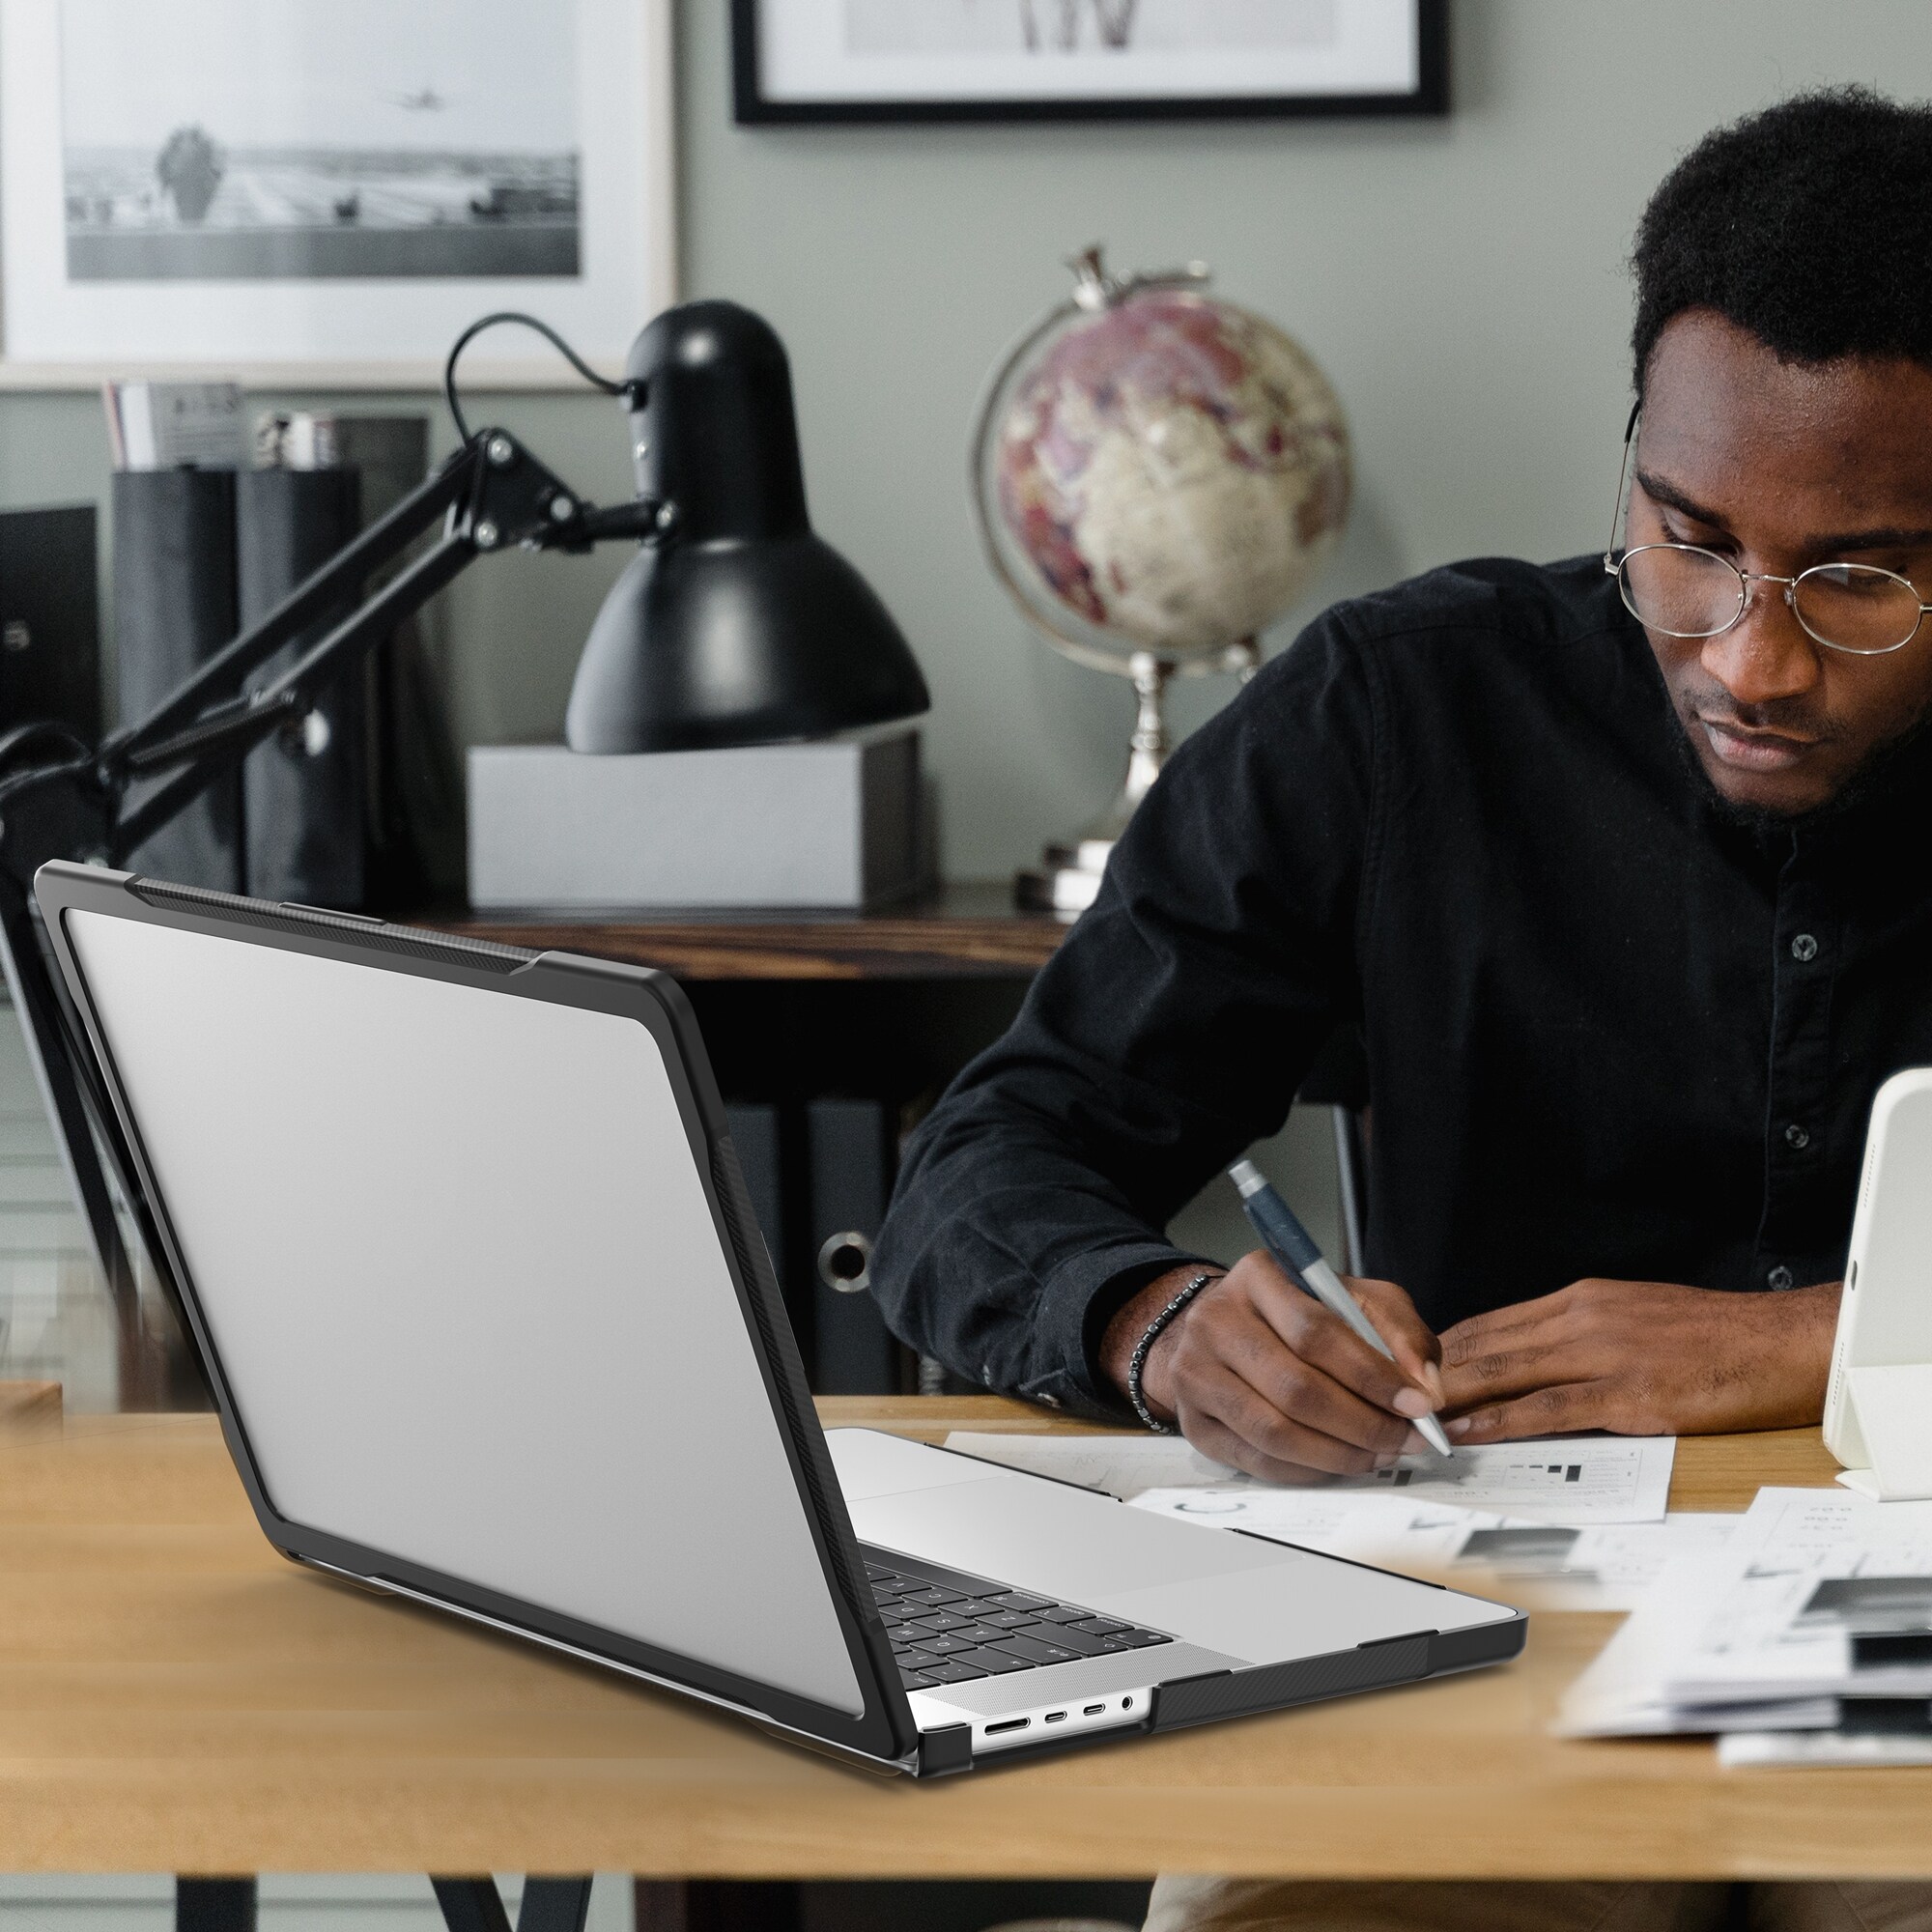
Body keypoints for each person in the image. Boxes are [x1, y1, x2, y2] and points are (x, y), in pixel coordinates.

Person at [873, 88, 1932, 1932]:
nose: (1753, 660)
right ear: (1632, 463)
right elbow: (989, 1161)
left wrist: (1825, 1344)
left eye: (1859, 582)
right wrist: (1160, 1319)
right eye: (1691, 540)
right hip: (1483, 1622)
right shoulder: (1400, 710)